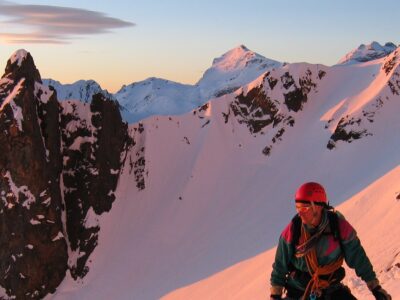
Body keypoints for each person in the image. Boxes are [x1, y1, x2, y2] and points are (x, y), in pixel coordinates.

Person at [270, 182, 392, 300]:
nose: (300, 213)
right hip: (298, 291)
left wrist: (375, 288)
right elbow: (280, 266)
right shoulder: (293, 229)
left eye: (305, 208)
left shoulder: (338, 226)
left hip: (331, 289)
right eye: (298, 208)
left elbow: (358, 258)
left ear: (318, 206)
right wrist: (275, 295)